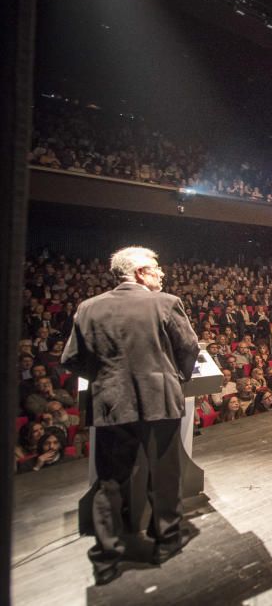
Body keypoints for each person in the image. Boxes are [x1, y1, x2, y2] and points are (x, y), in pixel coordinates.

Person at [61, 246, 200, 585]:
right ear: (139, 273)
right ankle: (166, 541)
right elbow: (189, 347)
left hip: (112, 404)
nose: (162, 273)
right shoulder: (165, 302)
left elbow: (72, 359)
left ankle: (106, 558)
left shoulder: (87, 308)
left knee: (108, 482)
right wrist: (174, 376)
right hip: (160, 402)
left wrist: (108, 380)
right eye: (156, 267)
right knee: (164, 475)